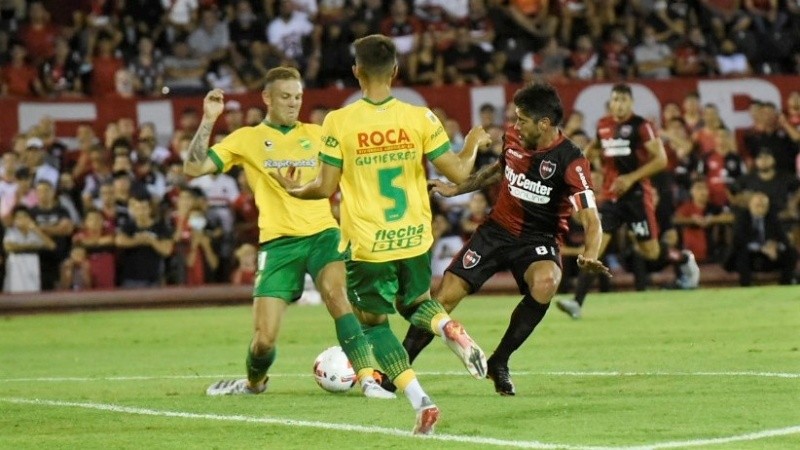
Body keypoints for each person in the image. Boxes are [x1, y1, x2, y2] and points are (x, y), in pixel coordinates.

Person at [270, 35, 491, 435]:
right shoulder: (420, 117)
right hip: (415, 236)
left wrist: (291, 188)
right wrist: (473, 143)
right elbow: (460, 174)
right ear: (395, 72)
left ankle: (421, 400)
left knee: (373, 323)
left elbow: (324, 188)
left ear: (356, 72)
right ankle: (446, 326)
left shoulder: (338, 122)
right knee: (416, 303)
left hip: (369, 243)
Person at [184, 68, 395, 406]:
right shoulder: (246, 138)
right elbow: (193, 168)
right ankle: (254, 382)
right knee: (264, 340)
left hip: (323, 234)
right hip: (278, 243)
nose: (294, 103)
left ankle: (369, 378)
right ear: (267, 98)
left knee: (337, 296)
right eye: (285, 97)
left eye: (297, 96)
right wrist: (209, 119)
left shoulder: (319, 133)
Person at [400, 82, 611, 396]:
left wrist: (591, 252)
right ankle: (398, 369)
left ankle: (500, 361)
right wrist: (456, 188)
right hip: (495, 231)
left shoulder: (571, 160)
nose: (514, 126)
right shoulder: (513, 139)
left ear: (544, 123)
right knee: (444, 298)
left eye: (522, 119)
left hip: (538, 240)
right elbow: (498, 170)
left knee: (546, 282)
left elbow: (592, 218)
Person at [556, 83, 700, 319]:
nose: (619, 104)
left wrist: (631, 178)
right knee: (594, 247)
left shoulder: (641, 126)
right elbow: (591, 151)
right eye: (615, 100)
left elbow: (661, 160)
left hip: (637, 197)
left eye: (623, 100)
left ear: (631, 103)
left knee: (651, 252)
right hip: (612, 199)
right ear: (610, 103)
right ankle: (577, 303)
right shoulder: (603, 125)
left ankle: (683, 258)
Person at [724, 192, 798, 286]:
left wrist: (776, 246)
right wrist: (762, 248)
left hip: (768, 257)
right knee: (741, 253)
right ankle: (746, 285)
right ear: (750, 205)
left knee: (791, 252)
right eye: (757, 205)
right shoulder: (742, 217)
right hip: (749, 256)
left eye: (763, 205)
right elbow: (738, 240)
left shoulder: (772, 218)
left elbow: (784, 240)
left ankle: (785, 283)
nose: (760, 208)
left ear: (767, 207)